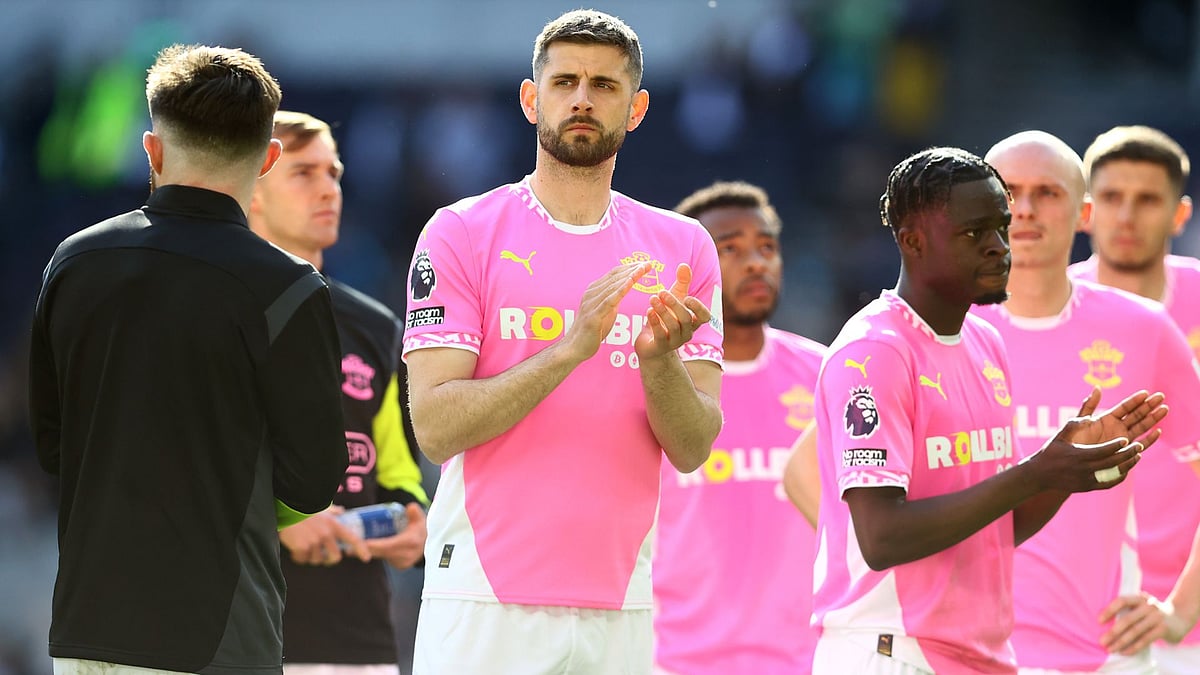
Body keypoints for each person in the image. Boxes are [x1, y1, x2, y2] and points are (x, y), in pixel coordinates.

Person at [402, 9, 724, 675]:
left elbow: (693, 446)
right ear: (531, 99)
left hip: (626, 600)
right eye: (564, 82)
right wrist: (571, 348)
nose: (582, 99)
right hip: (484, 599)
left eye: (604, 85)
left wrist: (657, 360)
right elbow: (434, 426)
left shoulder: (684, 246)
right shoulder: (461, 232)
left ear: (636, 109)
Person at [28, 45, 348, 674]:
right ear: (268, 160)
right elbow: (314, 481)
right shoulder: (288, 289)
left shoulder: (73, 262)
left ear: (152, 151)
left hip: (86, 631)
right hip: (217, 639)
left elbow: (52, 446)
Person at [809, 145, 1168, 674]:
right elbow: (881, 538)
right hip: (890, 650)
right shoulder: (874, 352)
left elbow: (999, 530)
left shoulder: (985, 343)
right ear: (912, 241)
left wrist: (1066, 472)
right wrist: (1034, 473)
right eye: (974, 233)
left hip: (980, 654)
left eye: (1001, 227)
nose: (1000, 247)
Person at [969, 130, 1200, 673]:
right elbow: (822, 473)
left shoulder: (1142, 328)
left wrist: (1180, 611)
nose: (1025, 209)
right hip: (964, 650)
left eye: (1047, 192)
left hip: (1106, 653)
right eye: (1009, 193)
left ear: (1083, 213)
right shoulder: (942, 329)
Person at [246, 110, 430, 675]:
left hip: (360, 643)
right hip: (243, 639)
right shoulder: (214, 313)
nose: (329, 190)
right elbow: (184, 461)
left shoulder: (377, 327)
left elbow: (397, 469)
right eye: (304, 173)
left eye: (334, 174)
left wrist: (414, 518)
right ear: (250, 191)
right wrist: (280, 517)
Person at [652, 181, 825, 675]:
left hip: (811, 660)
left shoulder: (828, 374)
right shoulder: (654, 381)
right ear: (686, 271)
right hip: (675, 662)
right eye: (729, 249)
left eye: (767, 247)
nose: (755, 263)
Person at [1069, 126, 1200, 674]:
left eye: (1147, 200)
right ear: (1085, 212)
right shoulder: (1037, 311)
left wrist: (1183, 609)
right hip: (1076, 617)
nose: (1126, 216)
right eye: (1111, 198)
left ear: (1179, 214)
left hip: (1187, 616)